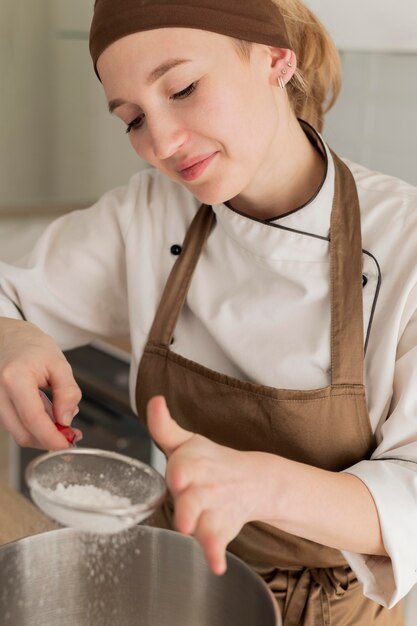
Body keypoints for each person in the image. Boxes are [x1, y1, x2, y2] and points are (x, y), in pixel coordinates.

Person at [0, 0, 416, 623]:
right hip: (178, 580)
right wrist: (10, 335)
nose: (161, 143)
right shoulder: (149, 214)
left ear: (277, 60)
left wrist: (259, 485)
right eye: (133, 118)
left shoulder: (403, 242)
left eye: (184, 88)